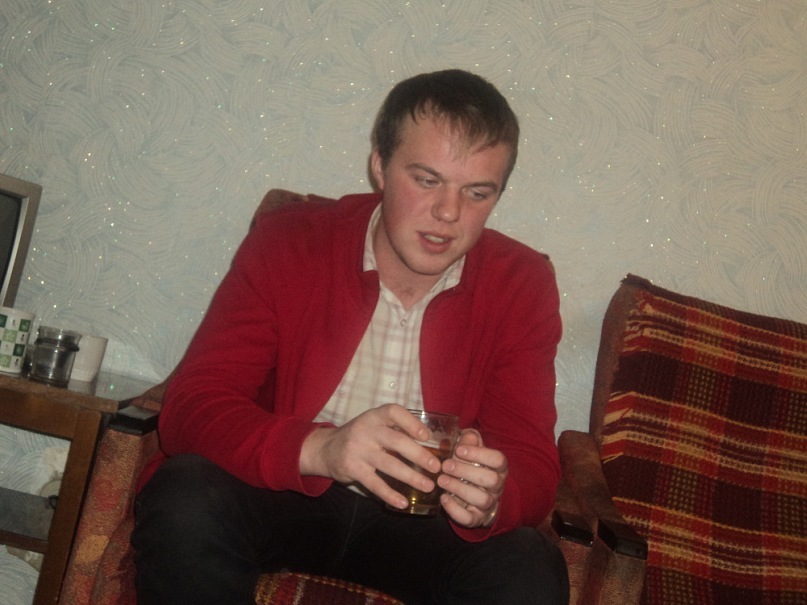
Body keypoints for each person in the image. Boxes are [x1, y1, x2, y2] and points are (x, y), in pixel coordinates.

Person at [132, 69, 568, 605]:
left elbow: (532, 459)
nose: (449, 213)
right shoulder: (291, 240)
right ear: (380, 166)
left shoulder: (521, 283)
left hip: (426, 524)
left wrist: (494, 496)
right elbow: (193, 405)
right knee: (186, 496)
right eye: (426, 180)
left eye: (477, 193)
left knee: (529, 567)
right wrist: (322, 448)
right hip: (286, 493)